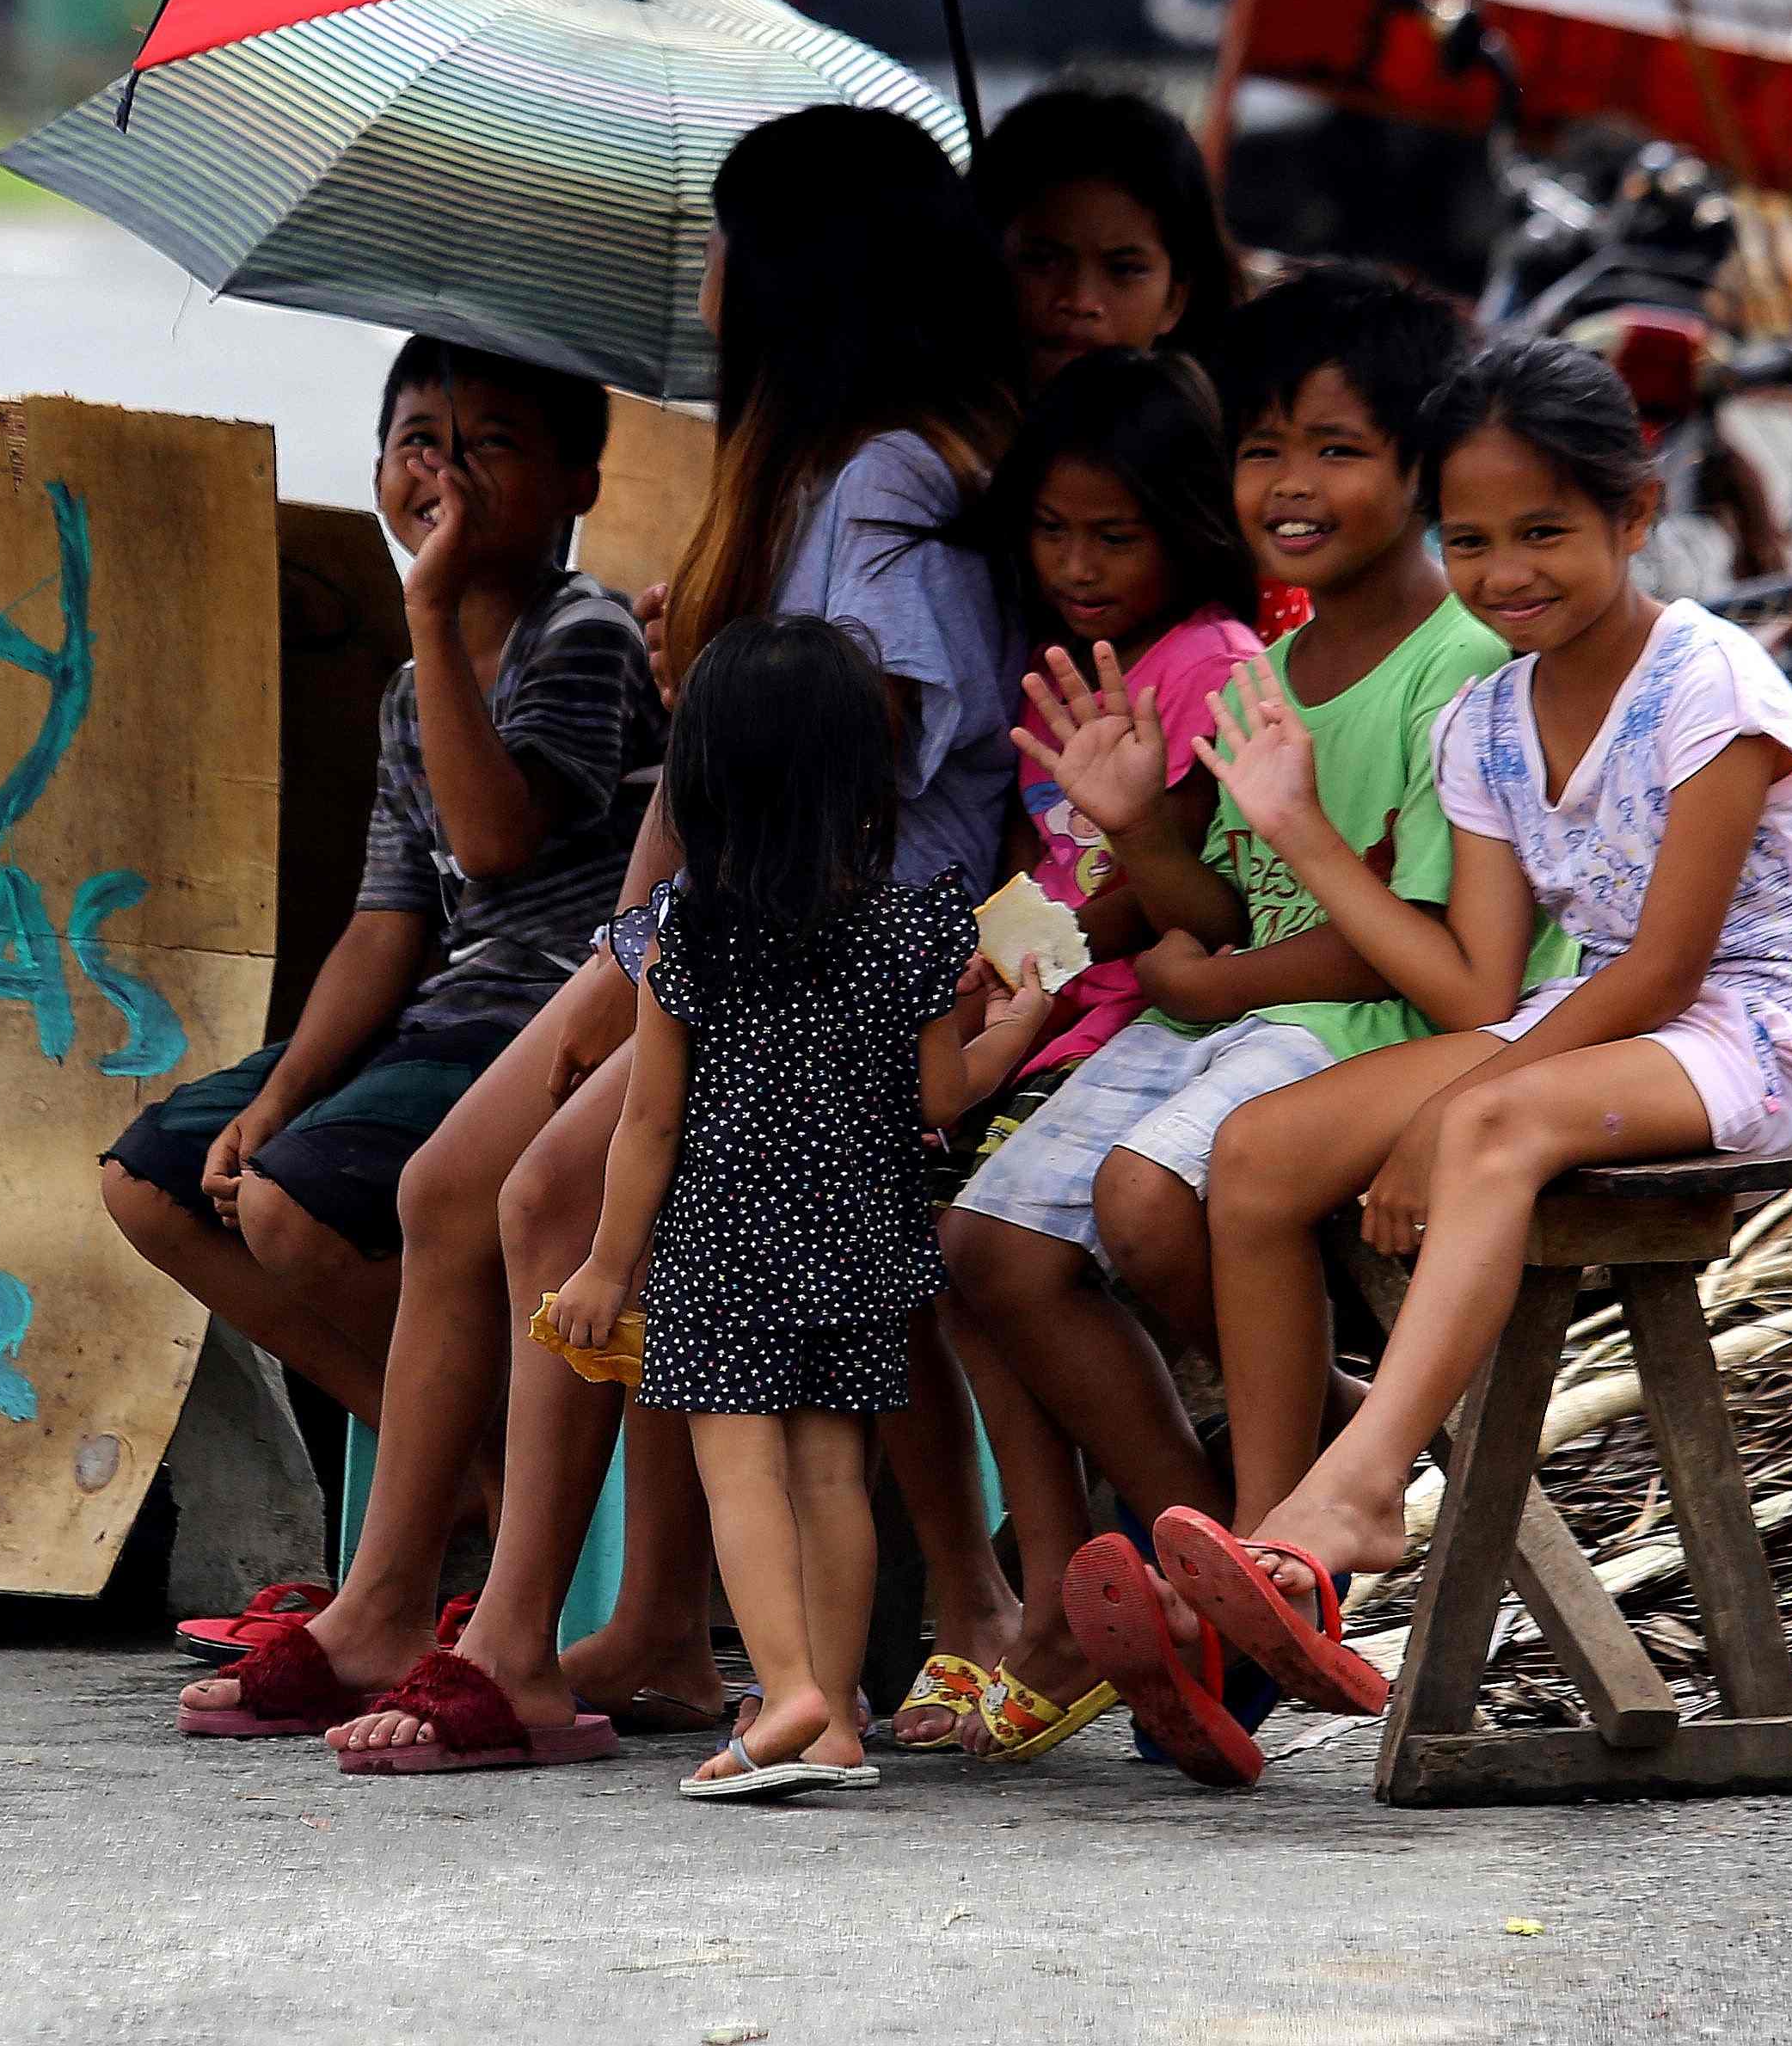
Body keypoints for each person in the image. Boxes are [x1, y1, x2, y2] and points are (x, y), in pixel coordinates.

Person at [186, 102, 1026, 1770]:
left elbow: (855, 759)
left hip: (828, 958)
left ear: (797, 276)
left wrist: (707, 739)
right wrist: (634, 934)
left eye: (732, 240)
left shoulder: (885, 484)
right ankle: (452, 1614)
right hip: (714, 922)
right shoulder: (794, 482)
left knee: (557, 1199)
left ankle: (516, 1647)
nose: (706, 276)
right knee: (447, 1189)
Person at [1151, 335, 1792, 1722]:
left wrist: (1437, 1115)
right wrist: (1297, 828)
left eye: (1544, 530)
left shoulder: (1708, 684)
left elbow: (1666, 965)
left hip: (1755, 1021)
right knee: (1254, 1152)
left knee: (1485, 1115)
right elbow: (1480, 986)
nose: (1505, 572)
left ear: (1634, 513)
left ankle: (1358, 1496)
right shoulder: (1483, 717)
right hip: (1582, 1015)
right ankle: (1272, 1557)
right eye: (1469, 540)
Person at [939, 261, 1528, 1778]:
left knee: (1143, 1200)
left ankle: (1263, 1543)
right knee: (987, 1245)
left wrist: (1209, 976)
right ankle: (1213, 1558)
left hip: (1357, 1028)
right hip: (1245, 1017)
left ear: (1420, 464)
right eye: (1262, 448)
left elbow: (1410, 938)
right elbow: (1218, 899)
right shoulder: (1267, 666)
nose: (1289, 482)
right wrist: (1135, 834)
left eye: (1336, 447)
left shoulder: (1454, 669)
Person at [102, 340, 660, 1441]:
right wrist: (279, 1095)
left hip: (542, 1021)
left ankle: (502, 1457)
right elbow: (383, 923)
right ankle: (447, 1466)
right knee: (153, 1182)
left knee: (290, 1208)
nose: (446, 477)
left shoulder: (584, 632)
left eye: (490, 447)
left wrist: (429, 617)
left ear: (577, 487)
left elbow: (494, 838)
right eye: (419, 445)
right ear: (377, 472)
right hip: (436, 1020)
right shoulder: (414, 687)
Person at [546, 617, 1062, 1799]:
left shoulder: (683, 941)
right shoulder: (914, 931)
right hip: (864, 1246)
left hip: (721, 1249)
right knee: (836, 1476)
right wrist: (1017, 1027)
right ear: (864, 780)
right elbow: (941, 1098)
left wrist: (607, 1269)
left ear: (706, 785)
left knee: (744, 1479)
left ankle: (786, 1695)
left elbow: (649, 1126)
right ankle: (835, 1720)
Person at [887, 348, 1258, 1754]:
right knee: (949, 1256)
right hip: (1059, 1014)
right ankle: (1051, 1584)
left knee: (988, 1253)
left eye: (1115, 533)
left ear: (1183, 523)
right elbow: (1053, 861)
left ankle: (1180, 1552)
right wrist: (1002, 967)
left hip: (1142, 1020)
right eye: (1054, 531)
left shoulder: (1206, 661)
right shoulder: (1083, 656)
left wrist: (1019, 963)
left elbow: (1151, 879)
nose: (1080, 562)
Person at [975, 76, 1246, 384]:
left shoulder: (1235, 428)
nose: (1080, 302)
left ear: (1175, 299)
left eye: (1124, 269)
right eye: (1042, 261)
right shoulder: (923, 430)